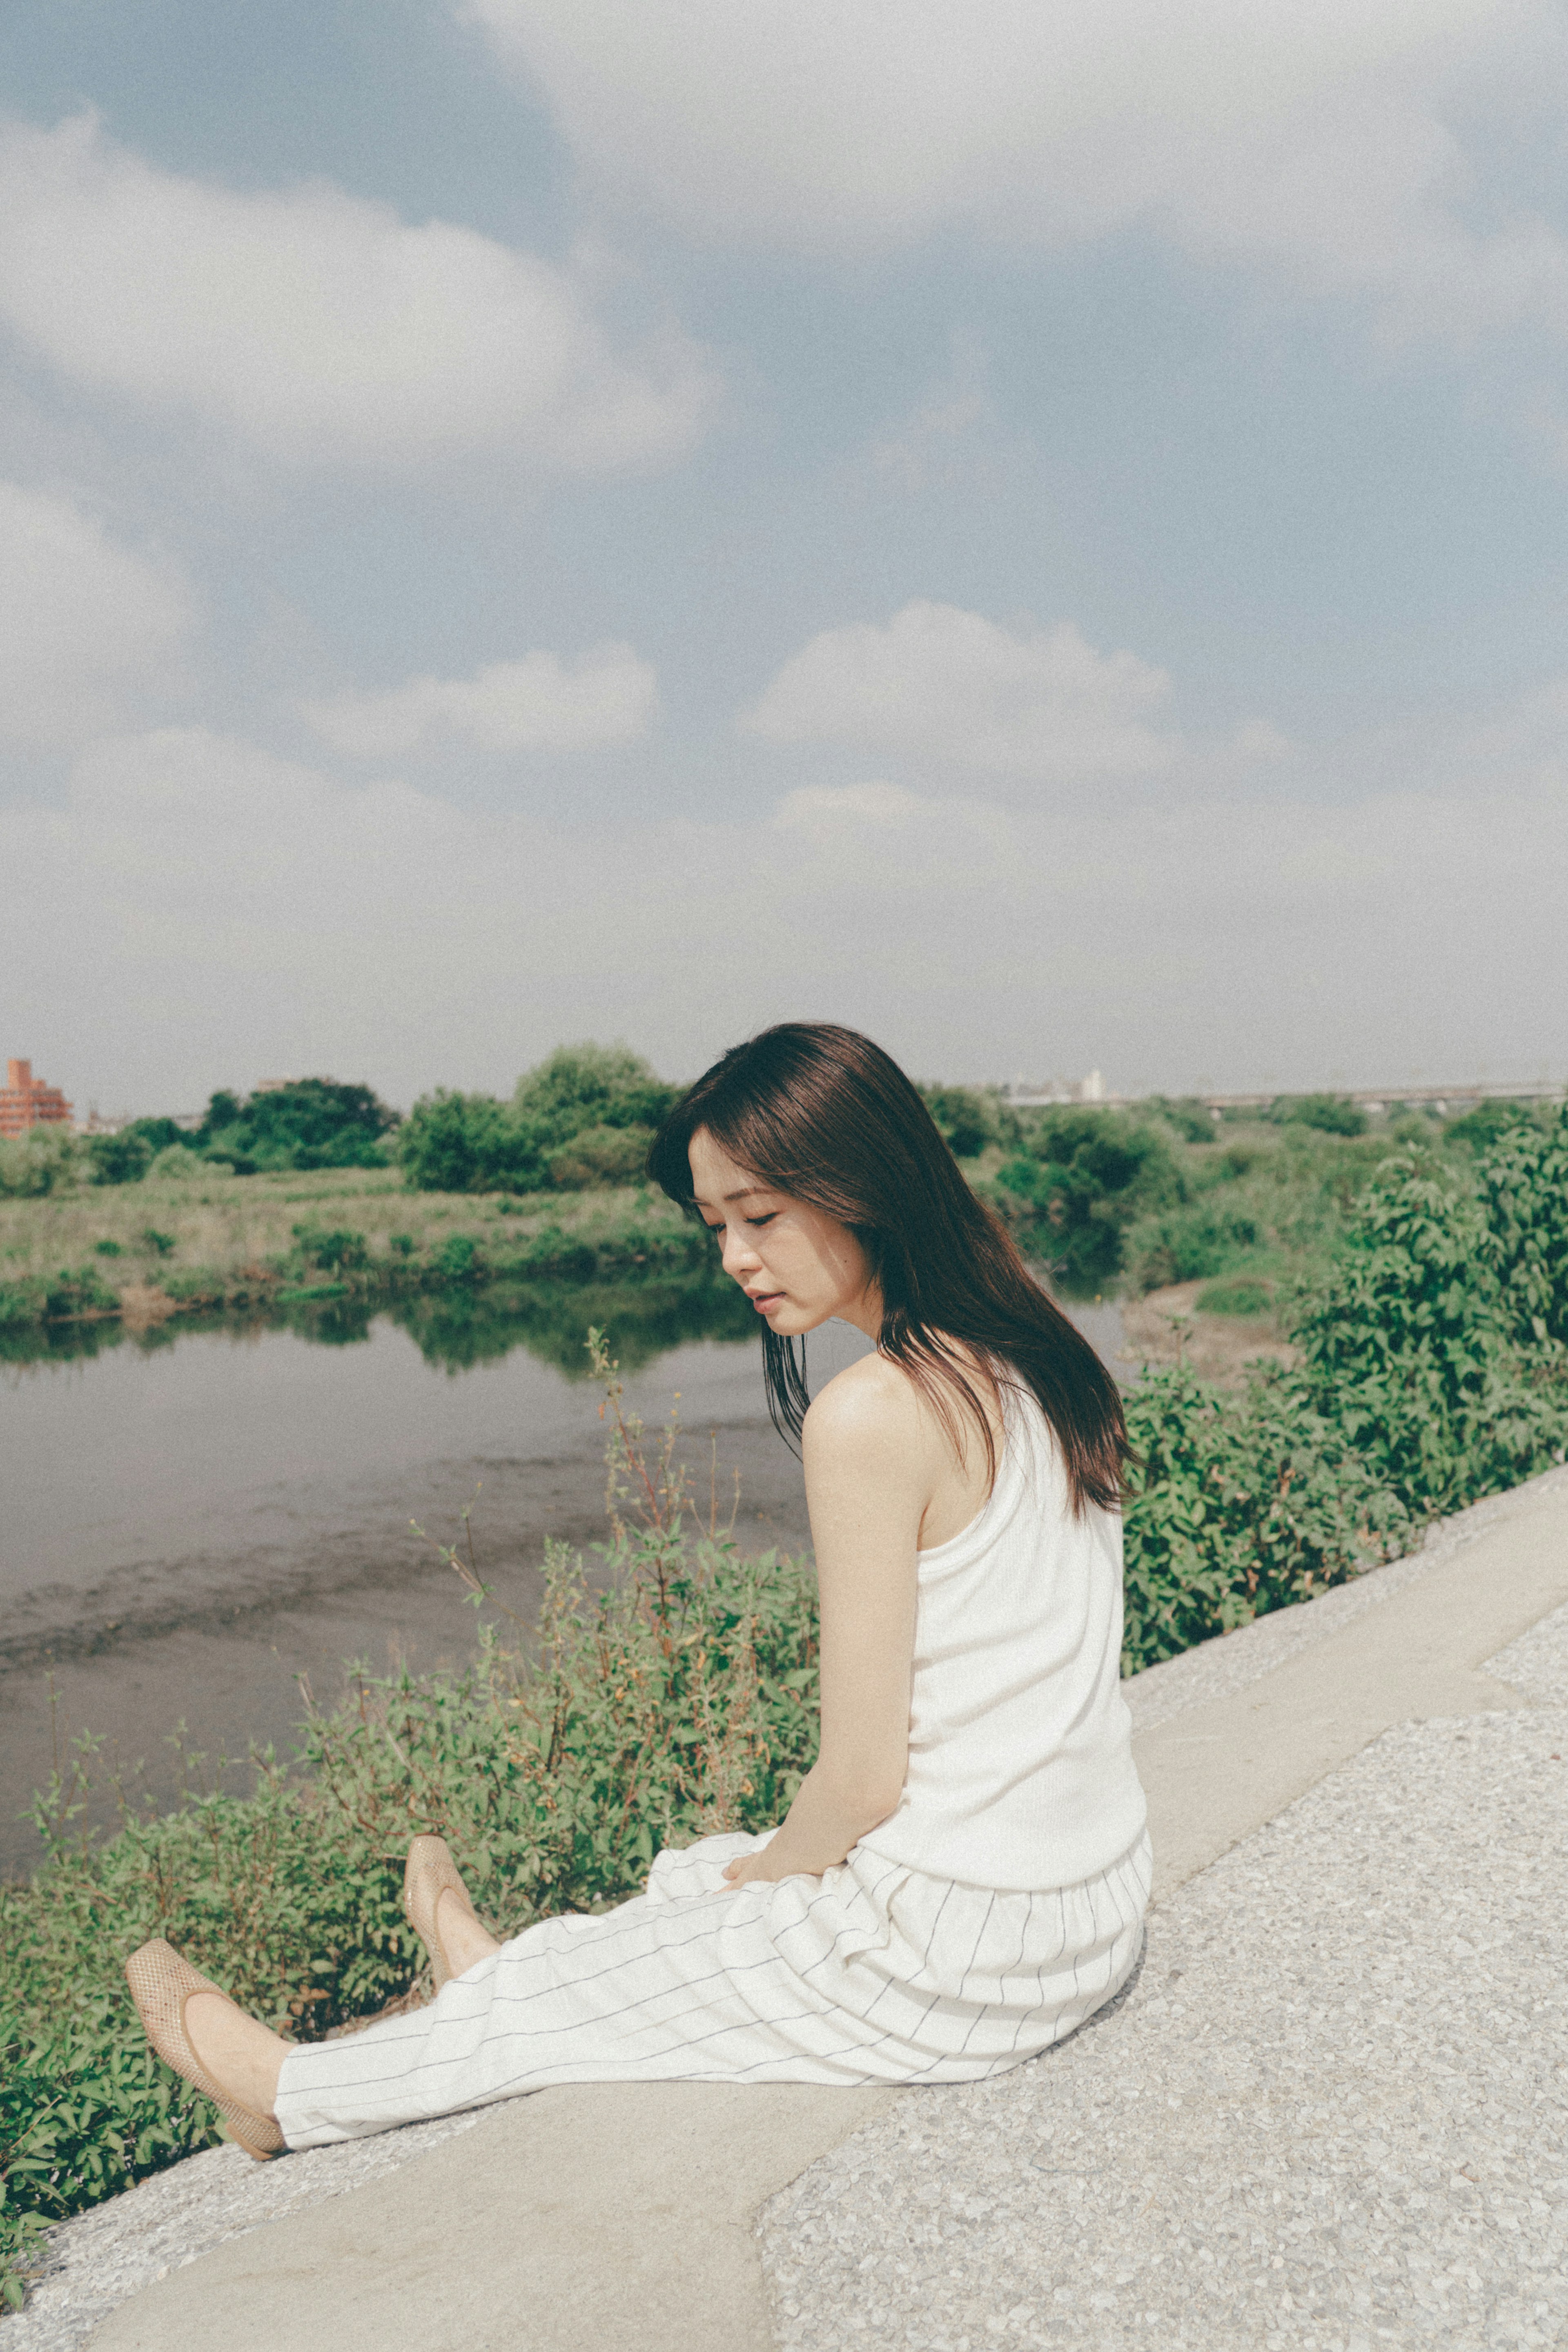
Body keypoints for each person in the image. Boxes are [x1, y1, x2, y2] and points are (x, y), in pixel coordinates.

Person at [126, 1021, 1149, 2157]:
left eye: (761, 1217)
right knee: (701, 1872)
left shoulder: (874, 1413)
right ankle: (496, 1972)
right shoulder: (1037, 1352)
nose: (735, 1260)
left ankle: (283, 2091)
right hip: (1091, 1903)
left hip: (963, 1955)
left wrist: (773, 1876)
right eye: (717, 1227)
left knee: (735, 1885)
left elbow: (860, 1781)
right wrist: (756, 1871)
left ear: (864, 1182)